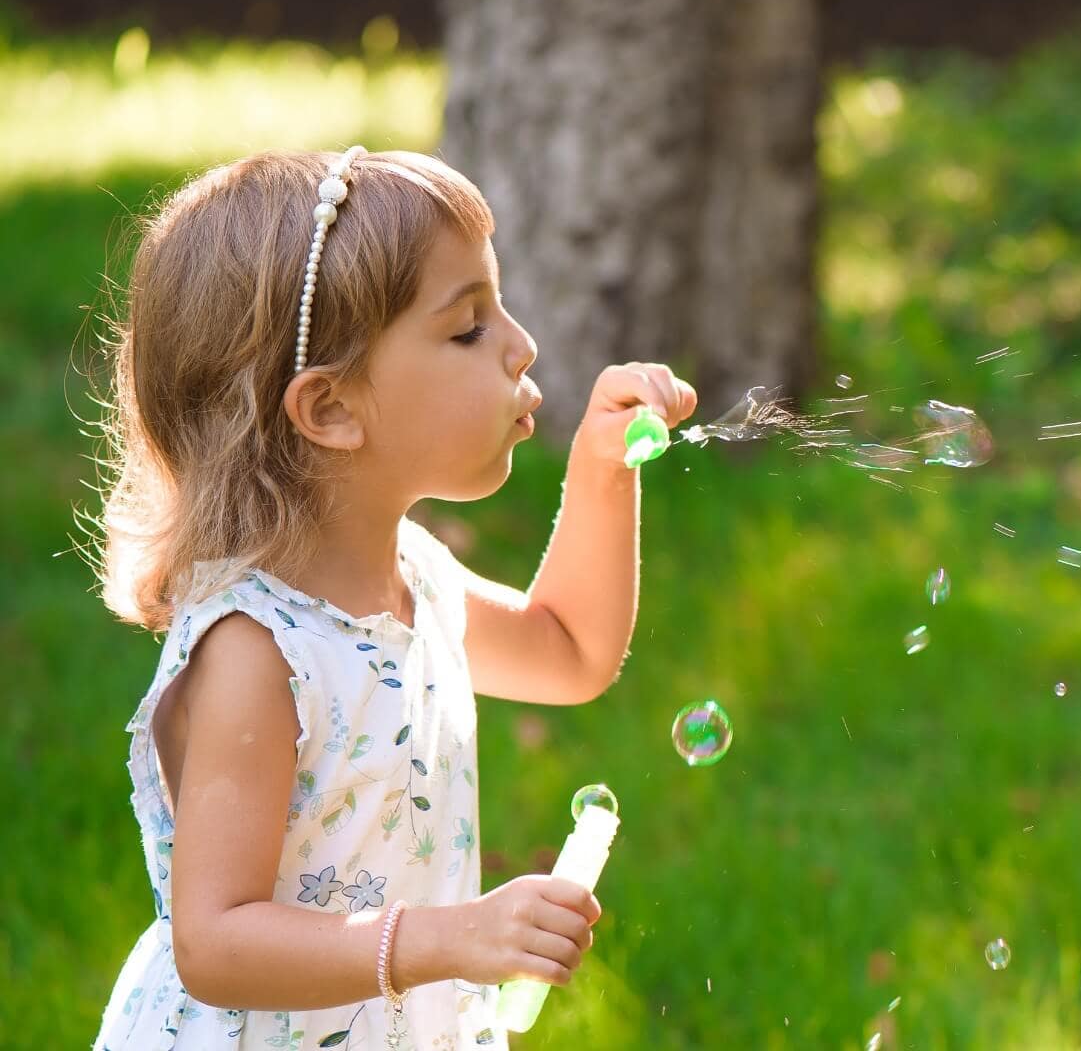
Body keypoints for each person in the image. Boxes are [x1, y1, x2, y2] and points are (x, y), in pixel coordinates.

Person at [88, 147, 696, 1049]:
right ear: (329, 410)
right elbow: (213, 939)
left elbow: (571, 650)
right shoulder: (258, 652)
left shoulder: (414, 580)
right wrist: (450, 939)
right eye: (467, 329)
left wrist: (604, 469)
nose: (521, 346)